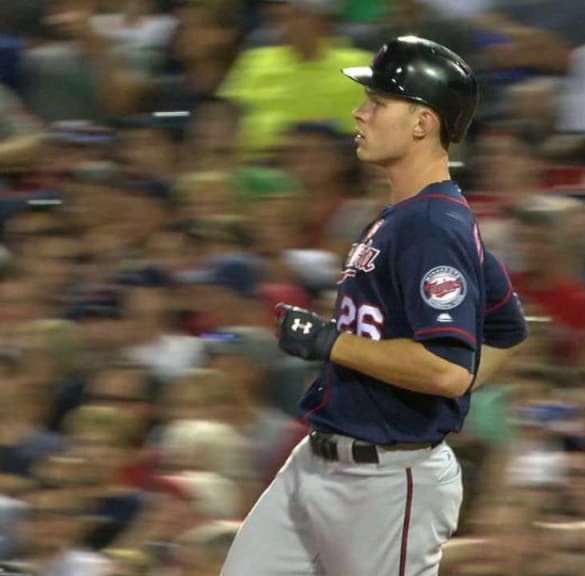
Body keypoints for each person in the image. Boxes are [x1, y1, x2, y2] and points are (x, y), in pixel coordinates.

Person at [221, 36, 528, 576]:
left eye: (379, 101)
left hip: (387, 480)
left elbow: (448, 371)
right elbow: (506, 327)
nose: (360, 112)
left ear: (422, 123)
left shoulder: (433, 226)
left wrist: (329, 343)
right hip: (317, 462)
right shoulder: (408, 216)